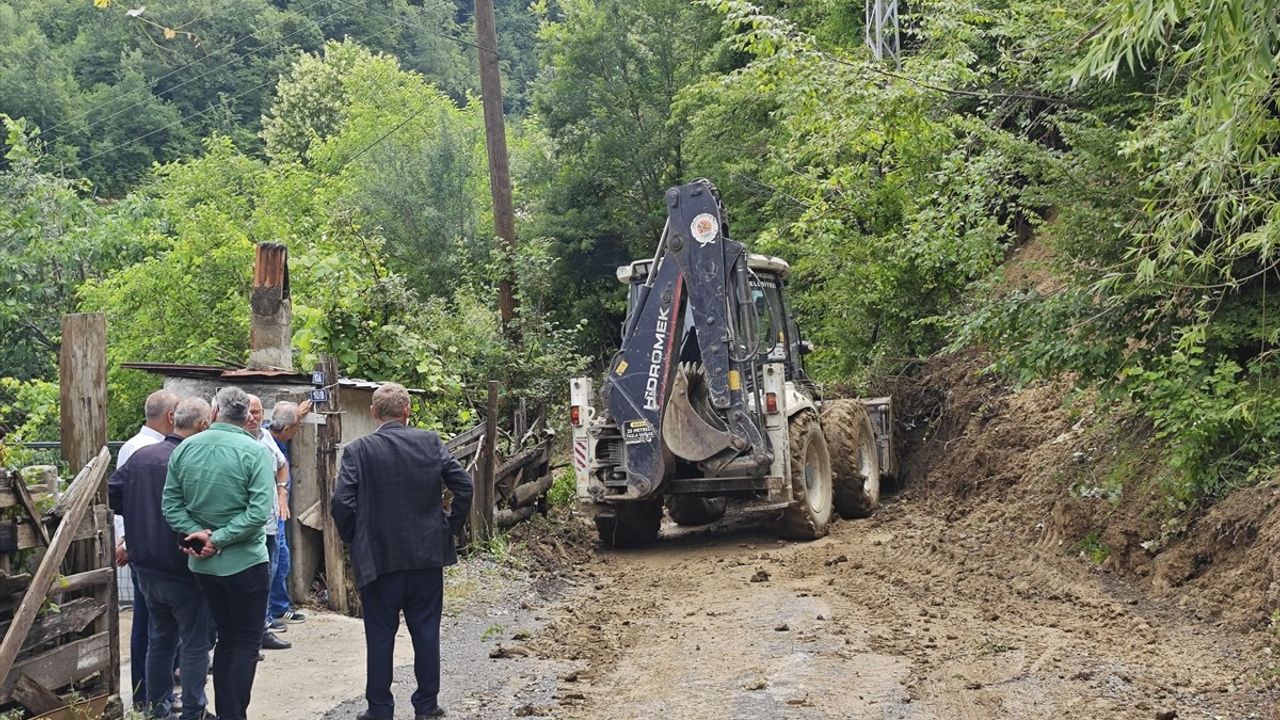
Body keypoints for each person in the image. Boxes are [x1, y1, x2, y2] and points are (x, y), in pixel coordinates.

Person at [332, 383, 472, 720]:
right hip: (425, 557)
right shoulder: (429, 443)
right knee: (426, 632)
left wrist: (355, 538)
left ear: (373, 413)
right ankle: (426, 705)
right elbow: (464, 485)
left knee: (380, 636)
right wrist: (449, 528)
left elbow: (341, 502)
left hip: (379, 560)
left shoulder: (359, 451)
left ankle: (380, 708)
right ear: (407, 410)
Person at [163, 386, 274, 720]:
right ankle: (234, 713)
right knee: (245, 642)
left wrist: (200, 535)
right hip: (246, 562)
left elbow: (170, 504)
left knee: (226, 637)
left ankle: (228, 713)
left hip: (204, 565)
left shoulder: (185, 449)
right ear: (246, 417)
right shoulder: (255, 452)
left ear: (214, 413)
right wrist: (222, 538)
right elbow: (258, 513)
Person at [109, 397, 214, 720]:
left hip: (146, 567)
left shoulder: (141, 457)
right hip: (183, 565)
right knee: (195, 643)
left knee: (160, 638)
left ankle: (157, 706)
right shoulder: (191, 460)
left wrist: (139, 522)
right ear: (202, 425)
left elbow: (114, 492)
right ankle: (194, 710)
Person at [115, 389, 179, 708]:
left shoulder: (138, 447)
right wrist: (127, 540)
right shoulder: (141, 449)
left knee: (159, 627)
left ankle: (160, 691)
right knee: (147, 625)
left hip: (149, 547)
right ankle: (144, 694)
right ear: (171, 417)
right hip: (148, 550)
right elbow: (123, 499)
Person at [245, 394, 292, 651]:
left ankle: (262, 628)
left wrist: (282, 493)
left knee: (269, 575)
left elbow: (282, 465)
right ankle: (249, 636)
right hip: (247, 527)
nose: (254, 417)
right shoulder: (238, 441)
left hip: (271, 523)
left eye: (258, 412)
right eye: (250, 412)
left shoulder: (265, 438)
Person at [266, 400, 312, 626]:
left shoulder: (275, 433)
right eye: (297, 426)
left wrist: (298, 414)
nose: (298, 430)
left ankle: (278, 607)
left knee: (281, 559)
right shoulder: (266, 442)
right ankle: (270, 613)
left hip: (278, 513)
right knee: (275, 562)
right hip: (272, 514)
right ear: (286, 429)